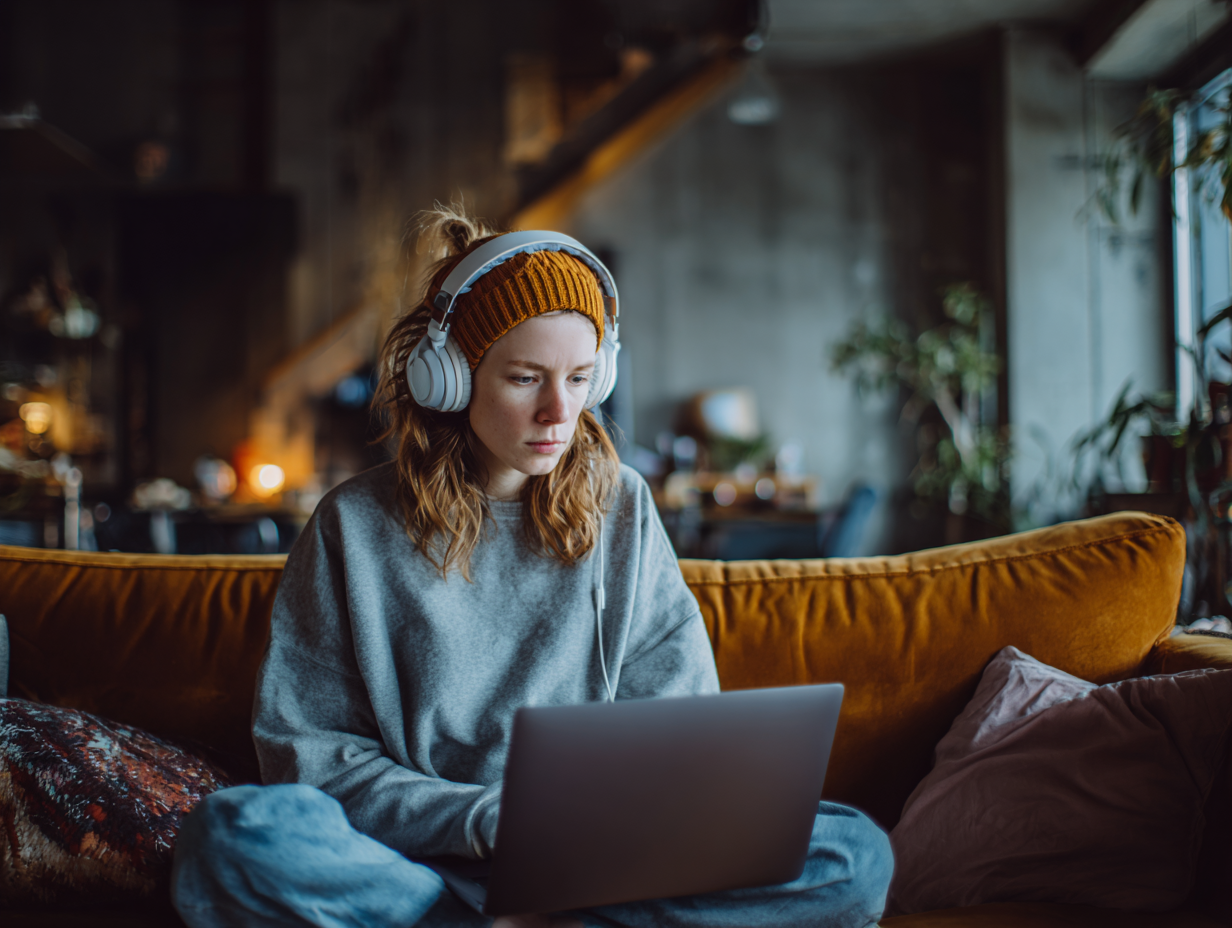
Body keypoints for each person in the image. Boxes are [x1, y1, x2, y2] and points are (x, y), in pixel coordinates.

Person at [170, 207, 894, 928]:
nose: (560, 411)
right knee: (237, 835)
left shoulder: (625, 509)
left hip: (603, 863)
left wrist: (600, 832)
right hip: (419, 862)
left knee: (855, 854)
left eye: (581, 378)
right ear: (448, 378)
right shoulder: (351, 527)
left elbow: (683, 728)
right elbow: (313, 761)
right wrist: (484, 818)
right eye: (525, 378)